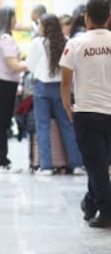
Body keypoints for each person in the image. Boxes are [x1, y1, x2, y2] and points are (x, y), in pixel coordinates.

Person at [60, 0, 111, 228]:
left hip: (87, 112)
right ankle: (90, 203)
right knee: (100, 163)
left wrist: (67, 107)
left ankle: (106, 210)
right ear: (109, 18)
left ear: (86, 17)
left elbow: (65, 81)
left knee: (95, 164)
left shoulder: (75, 43)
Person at [26, 13, 83, 175]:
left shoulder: (38, 42)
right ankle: (77, 164)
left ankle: (46, 167)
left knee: (43, 127)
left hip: (42, 88)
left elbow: (30, 66)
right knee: (67, 124)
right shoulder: (66, 41)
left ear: (45, 26)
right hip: (61, 88)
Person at [0, 6, 28, 172]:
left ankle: (1, 161)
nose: (15, 21)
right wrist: (32, 64)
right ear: (7, 19)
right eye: (13, 17)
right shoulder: (5, 39)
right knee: (2, 123)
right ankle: (0, 162)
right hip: (4, 84)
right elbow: (13, 65)